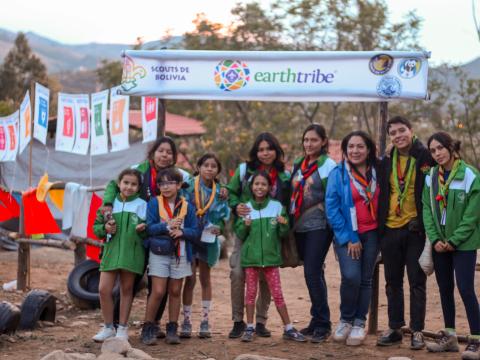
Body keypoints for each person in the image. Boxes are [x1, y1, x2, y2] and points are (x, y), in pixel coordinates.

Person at [101, 136, 191, 337]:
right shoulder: (139, 169)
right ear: (153, 152)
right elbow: (113, 184)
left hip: (164, 236)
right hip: (138, 234)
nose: (165, 155)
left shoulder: (177, 176)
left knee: (160, 283)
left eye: (169, 152)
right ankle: (115, 324)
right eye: (161, 151)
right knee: (129, 279)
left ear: (174, 157)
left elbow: (194, 189)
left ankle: (153, 323)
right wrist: (108, 203)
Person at [376, 116, 434, 349]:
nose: (398, 136)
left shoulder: (424, 156)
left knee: (416, 281)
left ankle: (417, 330)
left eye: (402, 130)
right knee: (392, 282)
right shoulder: (387, 159)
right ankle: (395, 327)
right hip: (390, 227)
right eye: (393, 133)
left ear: (411, 131)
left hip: (414, 229)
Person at [226, 132, 290, 338]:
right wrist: (237, 207)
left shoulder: (283, 175)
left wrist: (282, 222)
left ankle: (260, 321)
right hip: (244, 231)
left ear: (276, 151)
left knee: (266, 277)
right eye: (261, 149)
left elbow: (288, 202)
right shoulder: (245, 170)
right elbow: (231, 192)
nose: (265, 153)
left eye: (269, 149)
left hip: (270, 234)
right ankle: (238, 321)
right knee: (237, 274)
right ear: (256, 152)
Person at [422, 132, 480, 359]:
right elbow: (427, 209)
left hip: (463, 243)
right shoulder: (431, 177)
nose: (437, 154)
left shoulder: (471, 175)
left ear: (451, 147)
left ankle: (475, 340)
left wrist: (454, 240)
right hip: (439, 243)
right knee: (445, 289)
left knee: (465, 289)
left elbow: (472, 215)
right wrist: (435, 239)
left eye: (440, 148)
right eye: (433, 150)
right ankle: (450, 336)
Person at [235, 171, 306, 343]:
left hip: (271, 260)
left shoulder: (276, 207)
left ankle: (288, 328)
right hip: (251, 259)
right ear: (252, 187)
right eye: (256, 184)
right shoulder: (245, 207)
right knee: (250, 294)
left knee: (278, 294)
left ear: (269, 188)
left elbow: (282, 233)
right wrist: (244, 226)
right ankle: (250, 328)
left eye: (263, 184)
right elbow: (240, 233)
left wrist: (283, 225)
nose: (260, 187)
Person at [326, 131, 380, 346]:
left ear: (368, 149)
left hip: (374, 233)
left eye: (360, 146)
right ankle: (346, 319)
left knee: (366, 279)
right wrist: (349, 237)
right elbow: (332, 208)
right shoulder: (338, 174)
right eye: (351, 147)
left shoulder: (378, 171)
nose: (355, 151)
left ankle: (359, 323)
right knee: (351, 276)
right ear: (345, 150)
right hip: (347, 235)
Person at [141, 168, 201, 345]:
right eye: (162, 183)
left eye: (170, 183)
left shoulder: (187, 206)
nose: (165, 187)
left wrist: (182, 232)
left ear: (179, 185)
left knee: (175, 291)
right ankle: (148, 327)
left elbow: (196, 232)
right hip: (159, 251)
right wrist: (167, 226)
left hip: (181, 253)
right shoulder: (153, 203)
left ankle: (172, 328)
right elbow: (149, 228)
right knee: (158, 291)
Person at [290, 123, 336, 343]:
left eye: (314, 140)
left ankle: (324, 324)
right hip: (300, 226)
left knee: (312, 272)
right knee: (314, 274)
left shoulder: (328, 165)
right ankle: (317, 320)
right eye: (306, 140)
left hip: (320, 226)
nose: (309, 144)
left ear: (324, 142)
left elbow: (333, 196)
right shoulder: (299, 164)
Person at [92, 169, 147, 342]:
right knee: (103, 289)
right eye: (126, 183)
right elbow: (96, 228)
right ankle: (108, 327)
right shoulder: (108, 205)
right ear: (119, 184)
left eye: (133, 184)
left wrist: (143, 229)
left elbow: (148, 230)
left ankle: (122, 329)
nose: (129, 187)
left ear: (138, 187)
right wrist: (105, 229)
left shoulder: (142, 204)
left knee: (126, 289)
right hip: (110, 252)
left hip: (132, 253)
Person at [180, 154, 230, 338]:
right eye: (206, 165)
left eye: (213, 166)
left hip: (208, 239)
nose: (209, 169)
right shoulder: (187, 187)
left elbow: (225, 216)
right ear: (199, 167)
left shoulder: (220, 192)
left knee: (206, 280)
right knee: (190, 279)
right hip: (189, 237)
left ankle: (205, 321)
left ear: (218, 171)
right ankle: (185, 322)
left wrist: (221, 227)